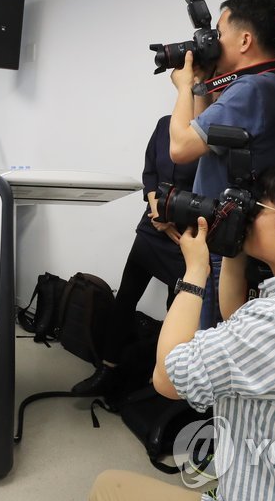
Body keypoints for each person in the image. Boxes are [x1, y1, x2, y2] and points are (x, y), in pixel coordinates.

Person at [89, 161, 275, 501]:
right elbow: (237, 322)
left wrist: (195, 272)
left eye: (258, 208)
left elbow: (167, 378)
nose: (247, 214)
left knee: (107, 488)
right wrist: (231, 248)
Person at [168, 0, 275, 329]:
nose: (214, 42)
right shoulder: (273, 83)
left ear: (244, 40)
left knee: (209, 336)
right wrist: (200, 85)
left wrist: (182, 87)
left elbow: (181, 147)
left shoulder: (252, 88)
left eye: (220, 33)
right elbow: (203, 137)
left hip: (225, 236)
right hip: (229, 230)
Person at [71, 115, 196, 396]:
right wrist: (158, 212)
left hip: (184, 235)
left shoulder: (207, 135)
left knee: (176, 310)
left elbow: (209, 188)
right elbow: (150, 173)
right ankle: (107, 369)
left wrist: (172, 219)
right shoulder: (165, 125)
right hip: (153, 225)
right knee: (125, 299)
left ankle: (162, 381)